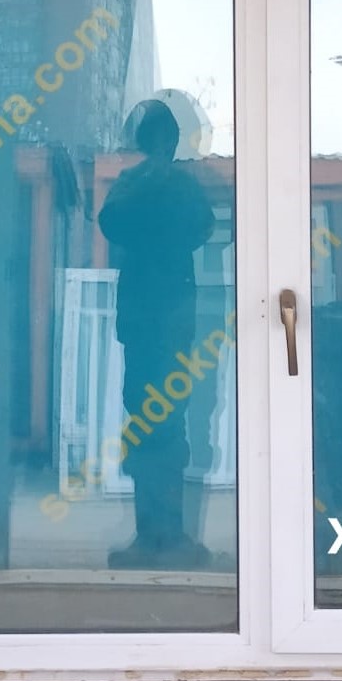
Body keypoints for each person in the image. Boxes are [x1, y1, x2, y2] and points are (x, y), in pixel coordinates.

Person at [98, 99, 215, 570]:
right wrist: (154, 183)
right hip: (151, 322)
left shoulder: (172, 183)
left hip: (166, 322)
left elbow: (200, 227)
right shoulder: (141, 182)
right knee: (151, 424)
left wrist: (155, 189)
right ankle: (153, 536)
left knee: (164, 425)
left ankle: (168, 536)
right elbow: (112, 223)